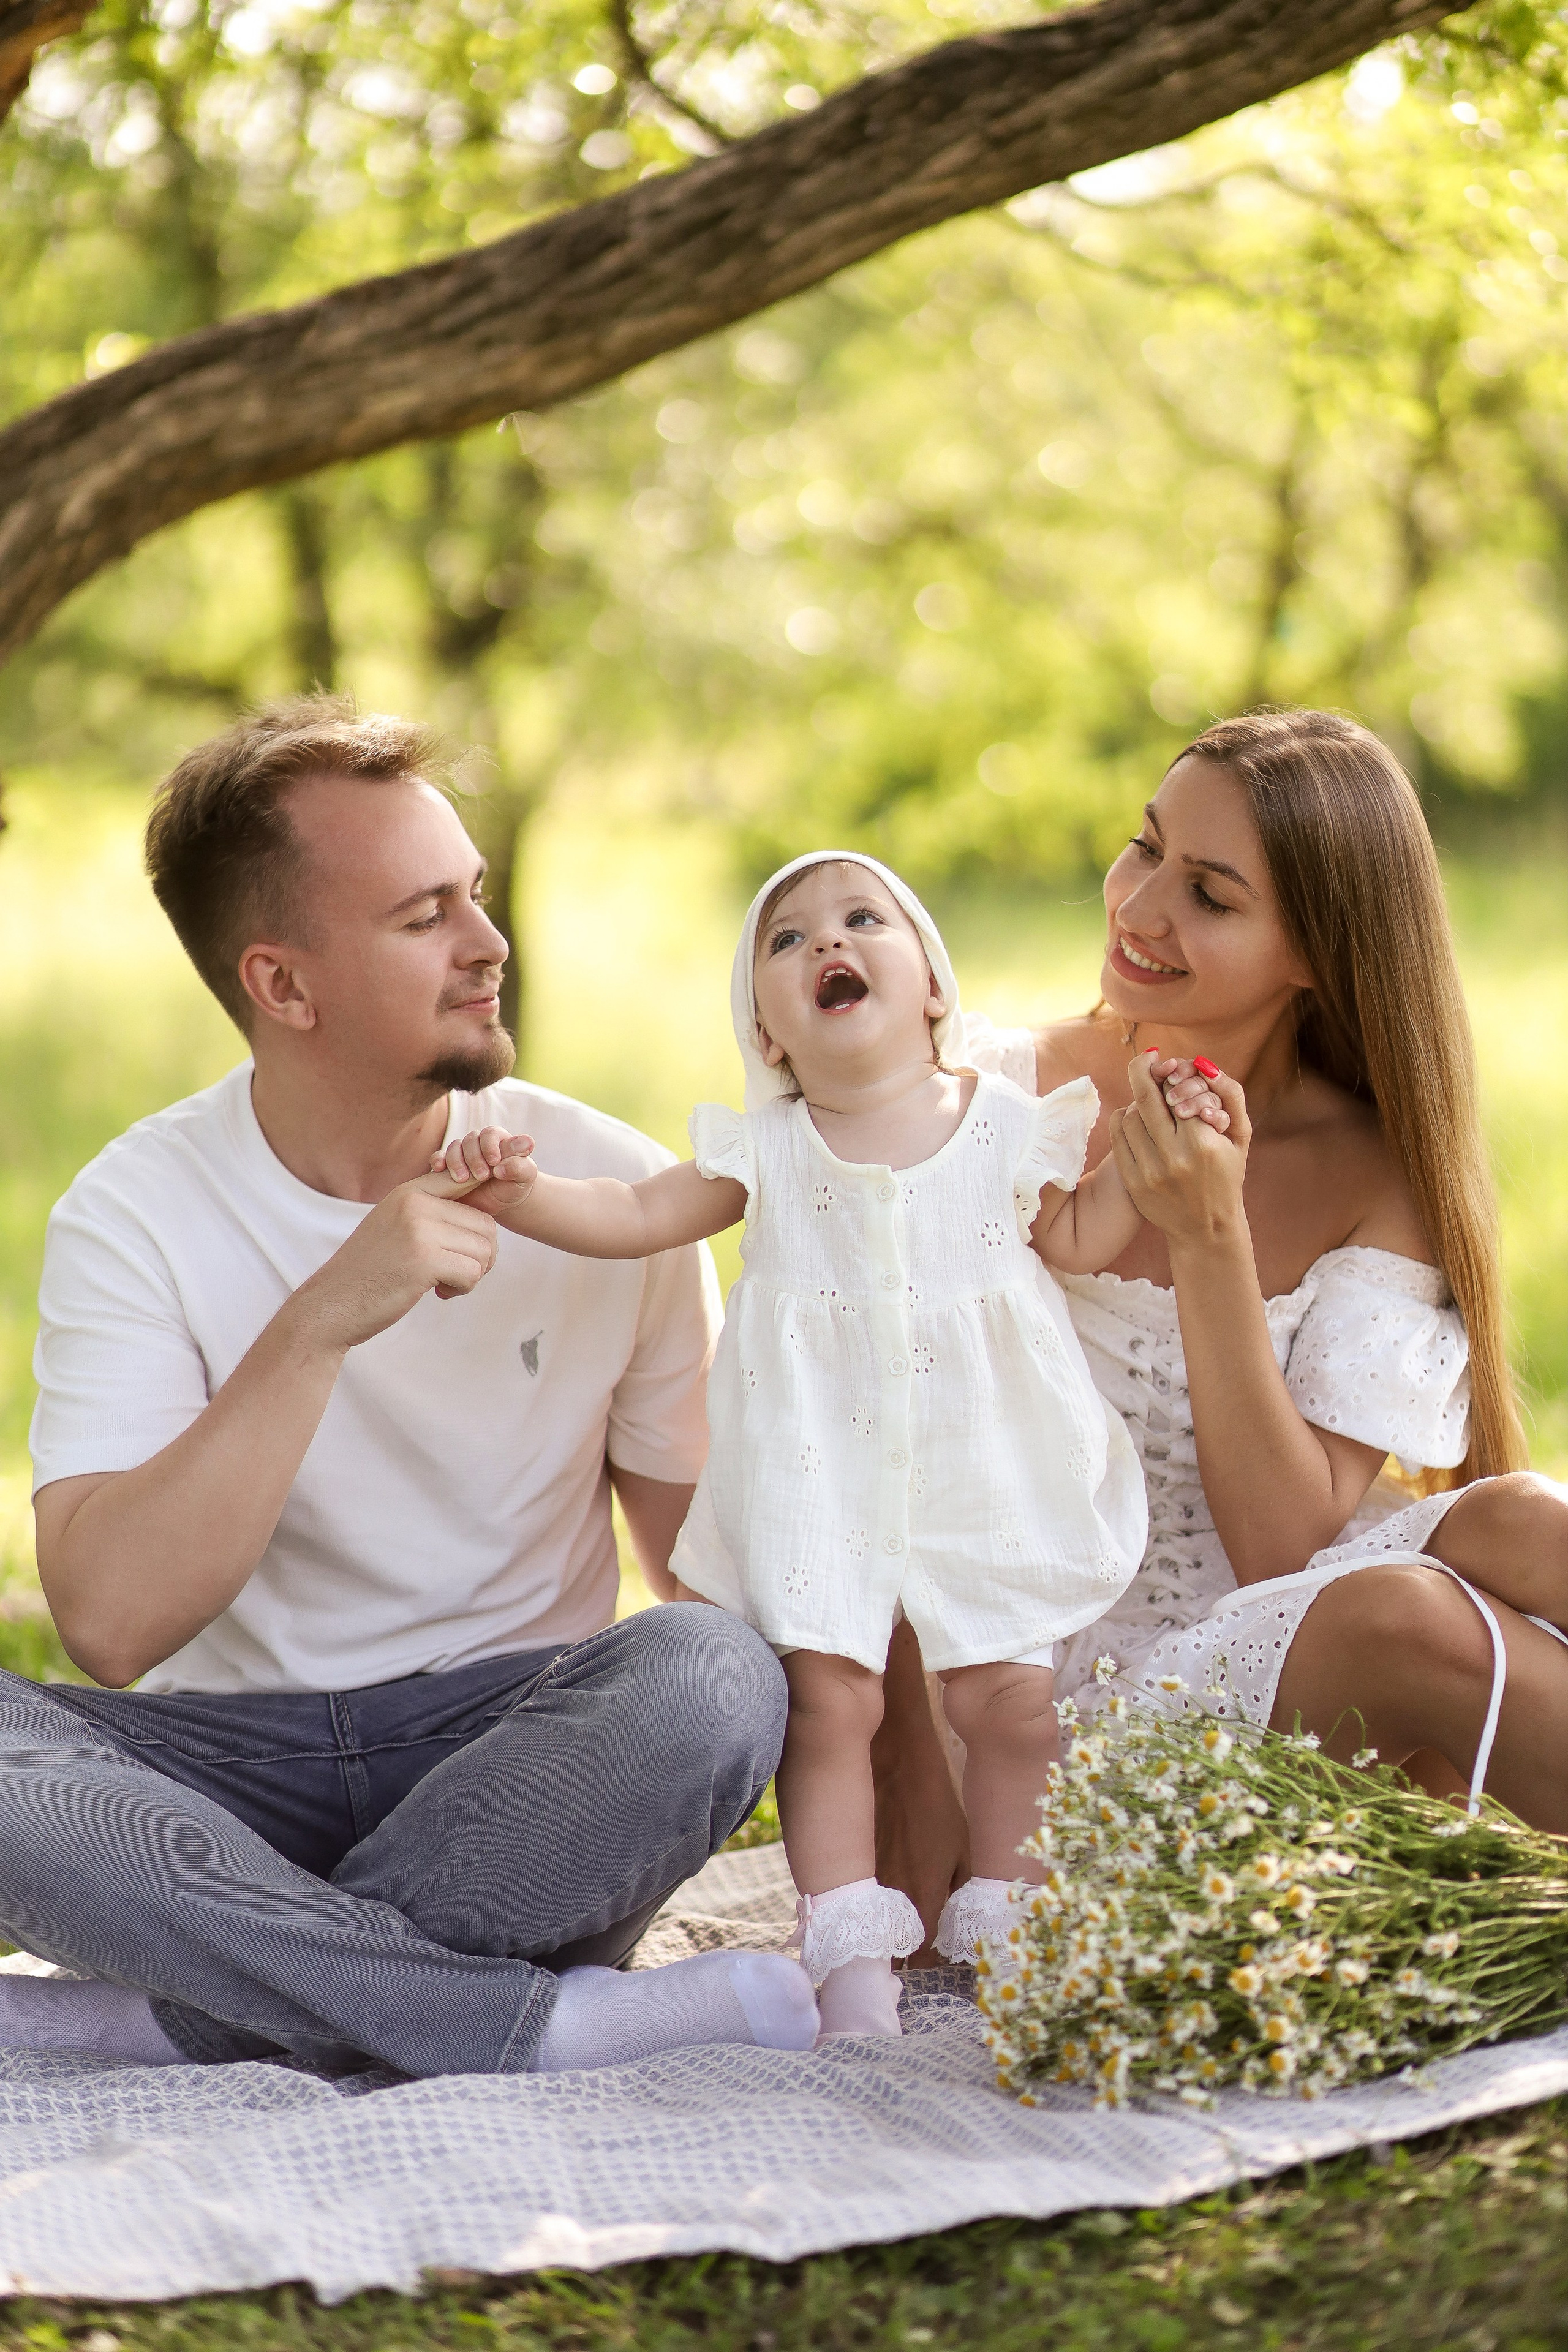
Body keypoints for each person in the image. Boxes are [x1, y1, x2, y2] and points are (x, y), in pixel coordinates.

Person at [3, 695, 818, 2076]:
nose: (487, 944)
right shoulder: (133, 1212)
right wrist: (322, 1323)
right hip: (225, 1781)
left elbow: (716, 1588)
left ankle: (182, 2015)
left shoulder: (610, 1190)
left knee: (715, 1676)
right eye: (425, 915)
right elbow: (113, 1626)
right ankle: (518, 2023)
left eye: (475, 895)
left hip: (513, 1769)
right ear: (284, 986)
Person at [428, 851, 1168, 2036]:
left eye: (864, 918)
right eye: (787, 939)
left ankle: (1019, 1941)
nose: (829, 942)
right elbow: (634, 1215)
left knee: (1013, 1707)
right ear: (768, 1034)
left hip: (986, 1461)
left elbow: (1077, 1237)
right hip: (821, 1474)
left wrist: (1147, 1159)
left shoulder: (1001, 1125)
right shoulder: (768, 1150)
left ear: (934, 986)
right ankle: (851, 1968)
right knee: (829, 1707)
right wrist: (521, 1196)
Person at [876, 707, 1568, 1940]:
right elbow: (862, 1438)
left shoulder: (1374, 1172)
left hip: (1270, 1641)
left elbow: (1279, 1548)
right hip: (1042, 1704)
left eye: (1208, 892)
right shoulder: (984, 1099)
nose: (1140, 907)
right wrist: (902, 1766)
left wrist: (1209, 1236)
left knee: (1525, 1518)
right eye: (1144, 848)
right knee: (1408, 1619)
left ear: (1317, 951)